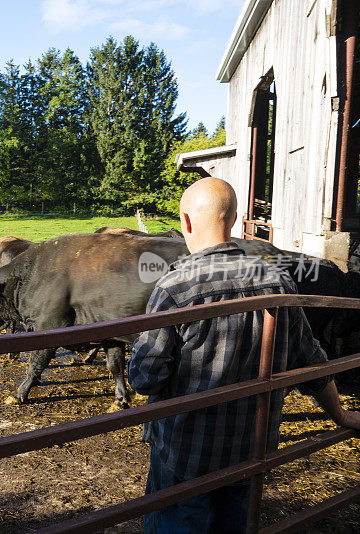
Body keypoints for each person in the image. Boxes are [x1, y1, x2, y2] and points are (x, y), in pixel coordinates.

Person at [127, 177, 360, 533]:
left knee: (177, 520)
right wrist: (340, 413)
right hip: (250, 449)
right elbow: (311, 361)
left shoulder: (174, 288)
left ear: (185, 222)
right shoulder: (278, 281)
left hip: (186, 454)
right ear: (234, 219)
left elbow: (146, 378)